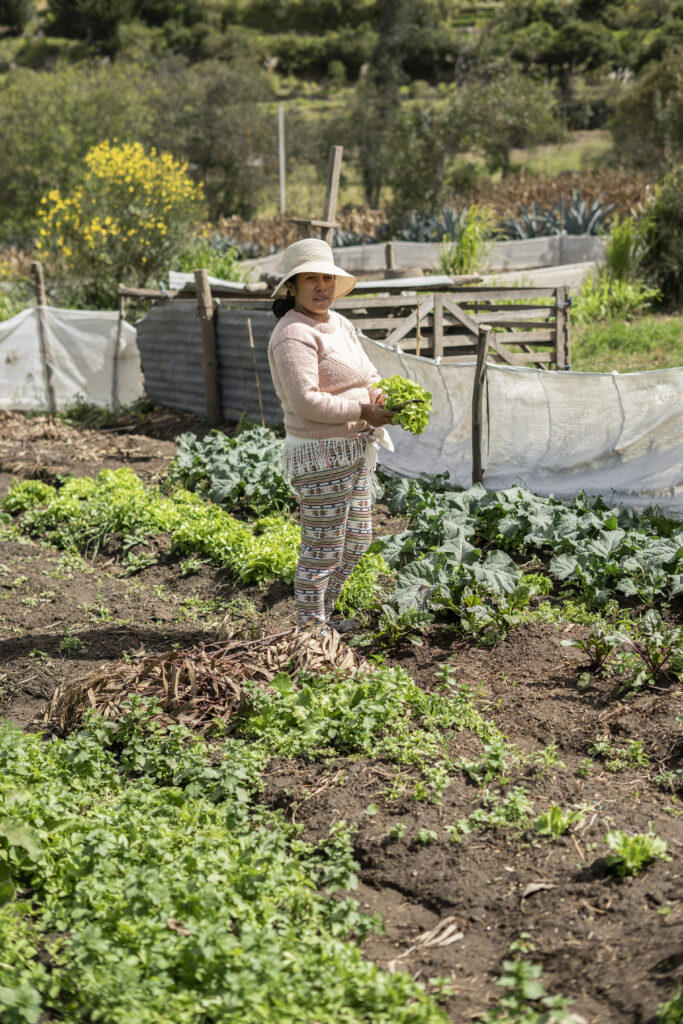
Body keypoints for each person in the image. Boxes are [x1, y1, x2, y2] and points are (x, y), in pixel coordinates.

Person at [267, 237, 396, 633]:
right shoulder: (293, 334)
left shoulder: (340, 323)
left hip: (356, 448)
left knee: (357, 539)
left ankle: (326, 615)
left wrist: (382, 393)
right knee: (322, 548)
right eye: (311, 279)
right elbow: (306, 401)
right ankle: (310, 629)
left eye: (327, 277)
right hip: (320, 453)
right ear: (293, 287)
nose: (322, 286)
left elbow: (367, 372)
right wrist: (363, 410)